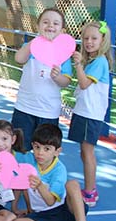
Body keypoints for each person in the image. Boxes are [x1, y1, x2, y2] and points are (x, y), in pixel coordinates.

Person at [11, 124, 92, 221]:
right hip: (44, 215)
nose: (40, 153)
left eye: (46, 149)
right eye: (37, 147)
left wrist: (40, 185)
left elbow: (50, 201)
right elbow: (10, 156)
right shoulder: (29, 160)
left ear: (57, 151)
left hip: (67, 211)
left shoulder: (59, 170)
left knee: (72, 184)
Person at [12, 8, 72, 151]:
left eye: (56, 23)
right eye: (45, 22)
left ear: (62, 30)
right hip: (24, 108)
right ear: (38, 26)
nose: (50, 25)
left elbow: (66, 81)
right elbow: (19, 59)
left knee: (45, 152)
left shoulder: (63, 53)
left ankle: (40, 174)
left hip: (48, 111)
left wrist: (57, 77)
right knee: (20, 148)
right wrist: (33, 44)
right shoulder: (30, 47)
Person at [69, 21, 113, 207]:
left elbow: (84, 83)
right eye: (86, 38)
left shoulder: (100, 61)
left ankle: (90, 192)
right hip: (84, 112)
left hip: (90, 115)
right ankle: (90, 188)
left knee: (87, 153)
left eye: (94, 38)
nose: (89, 42)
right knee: (84, 152)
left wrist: (78, 64)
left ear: (103, 40)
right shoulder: (94, 61)